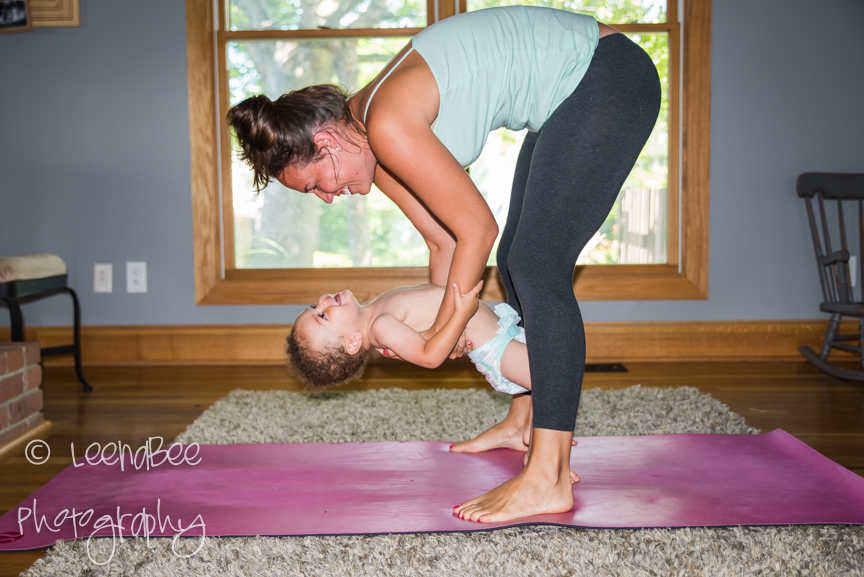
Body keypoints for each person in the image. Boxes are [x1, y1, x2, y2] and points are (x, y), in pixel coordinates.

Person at [227, 5, 661, 523]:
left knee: (536, 263)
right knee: (516, 259)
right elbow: (443, 242)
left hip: (604, 74)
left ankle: (549, 476)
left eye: (315, 184)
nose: (326, 197)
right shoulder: (373, 143)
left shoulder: (386, 125)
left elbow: (476, 228)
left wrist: (447, 327)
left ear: (325, 143)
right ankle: (523, 421)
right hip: (569, 95)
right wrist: (443, 326)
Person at [285, 282, 582, 491]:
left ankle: (528, 434)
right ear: (352, 343)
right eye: (322, 315)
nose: (322, 301)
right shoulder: (380, 327)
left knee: (550, 378)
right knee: (554, 380)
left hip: (502, 335)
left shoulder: (376, 310)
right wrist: (461, 314)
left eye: (314, 306)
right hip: (497, 349)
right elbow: (428, 356)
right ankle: (545, 457)